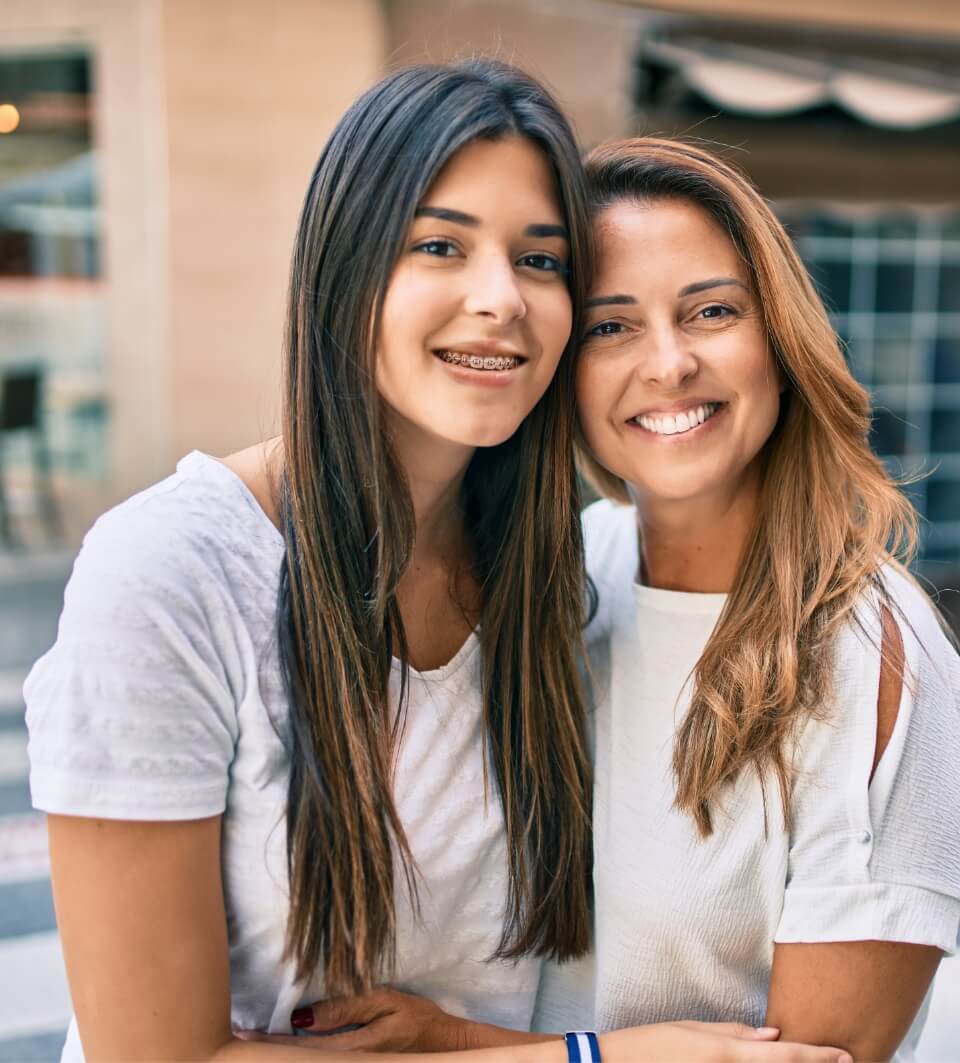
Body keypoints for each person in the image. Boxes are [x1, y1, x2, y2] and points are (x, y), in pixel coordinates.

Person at [24, 62, 845, 1063]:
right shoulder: (170, 573)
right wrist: (599, 1058)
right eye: (441, 245)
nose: (500, 298)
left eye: (542, 262)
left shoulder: (551, 579)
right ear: (347, 266)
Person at [288, 138, 960, 1062]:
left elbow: (817, 1057)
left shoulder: (877, 653)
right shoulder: (557, 580)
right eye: (611, 326)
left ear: (781, 339)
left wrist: (450, 1043)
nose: (671, 363)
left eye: (712, 311)